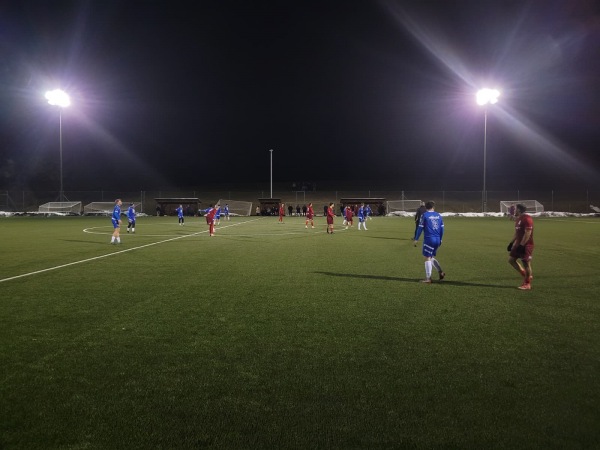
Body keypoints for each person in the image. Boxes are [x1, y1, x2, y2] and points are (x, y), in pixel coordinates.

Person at [414, 201, 445, 283]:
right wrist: (441, 239)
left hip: (429, 239)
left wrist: (416, 239)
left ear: (425, 207)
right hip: (437, 239)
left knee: (427, 257)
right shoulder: (438, 215)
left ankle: (428, 278)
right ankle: (441, 272)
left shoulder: (424, 215)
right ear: (433, 207)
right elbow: (442, 228)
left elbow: (420, 228)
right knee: (430, 257)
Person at [508, 203, 534, 290]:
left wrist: (522, 245)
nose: (514, 210)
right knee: (511, 260)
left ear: (519, 210)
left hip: (526, 245)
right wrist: (511, 243)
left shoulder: (527, 219)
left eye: (515, 209)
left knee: (526, 263)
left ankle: (527, 284)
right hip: (518, 244)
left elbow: (528, 233)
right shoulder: (518, 219)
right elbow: (517, 233)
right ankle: (525, 274)